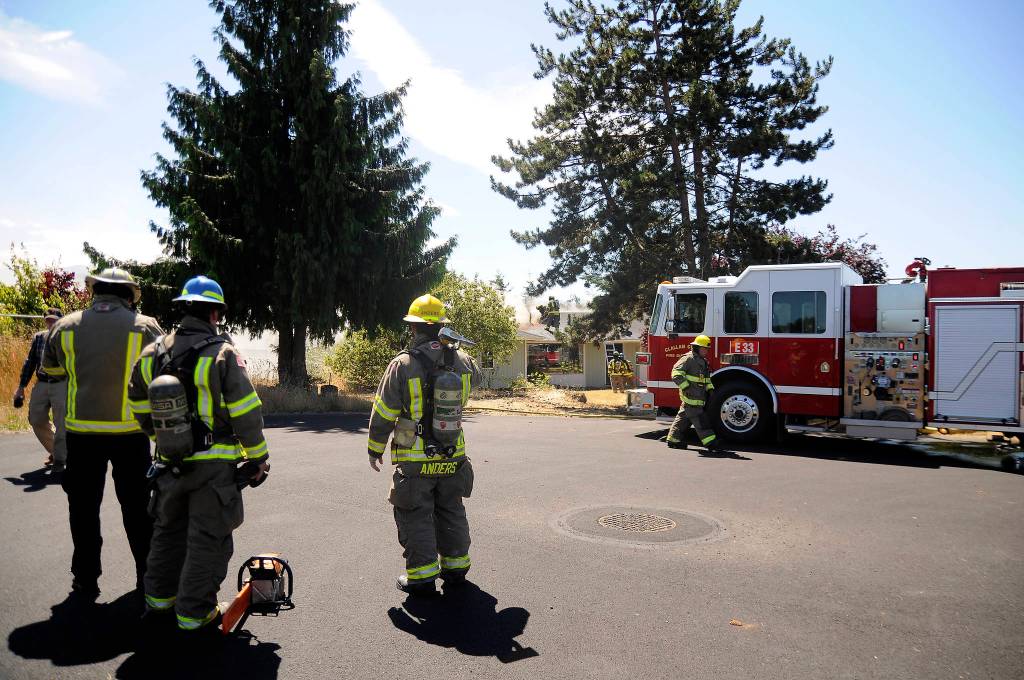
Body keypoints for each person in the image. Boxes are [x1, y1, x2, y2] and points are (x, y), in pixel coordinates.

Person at [127, 275, 269, 642]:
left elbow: (138, 405)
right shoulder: (223, 353)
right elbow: (246, 411)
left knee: (167, 535)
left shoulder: (153, 353)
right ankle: (195, 617)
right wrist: (258, 458)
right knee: (208, 540)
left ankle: (158, 605)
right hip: (213, 470)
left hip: (168, 465)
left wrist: (161, 437)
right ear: (215, 313)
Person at [41, 268, 164, 601]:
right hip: (130, 433)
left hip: (82, 434)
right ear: (129, 295)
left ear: (95, 292)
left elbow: (52, 372)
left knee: (83, 510)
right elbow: (164, 374)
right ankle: (148, 577)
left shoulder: (64, 327)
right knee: (139, 510)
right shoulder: (146, 327)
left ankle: (85, 580)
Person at [368, 294, 480, 596]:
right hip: (453, 454)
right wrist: (451, 350)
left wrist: (374, 448)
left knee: (416, 513)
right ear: (442, 327)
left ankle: (421, 576)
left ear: (413, 328)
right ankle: (456, 568)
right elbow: (479, 377)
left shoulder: (402, 364)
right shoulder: (462, 361)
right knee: (451, 509)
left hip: (415, 459)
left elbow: (383, 413)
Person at [14, 308, 66, 470]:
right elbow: (30, 363)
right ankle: (55, 451)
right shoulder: (38, 337)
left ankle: (60, 459)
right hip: (42, 382)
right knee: (35, 419)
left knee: (62, 422)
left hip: (61, 383)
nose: (50, 323)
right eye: (48, 320)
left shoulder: (67, 337)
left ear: (60, 321)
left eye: (54, 320)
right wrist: (21, 388)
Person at [665, 335, 728, 453]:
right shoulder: (688, 359)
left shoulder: (703, 362)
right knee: (701, 420)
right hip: (691, 397)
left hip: (698, 397)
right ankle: (710, 442)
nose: (706, 351)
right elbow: (676, 373)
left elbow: (706, 379)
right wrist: (686, 387)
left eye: (707, 349)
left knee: (683, 418)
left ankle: (673, 439)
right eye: (704, 348)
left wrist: (710, 389)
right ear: (696, 347)